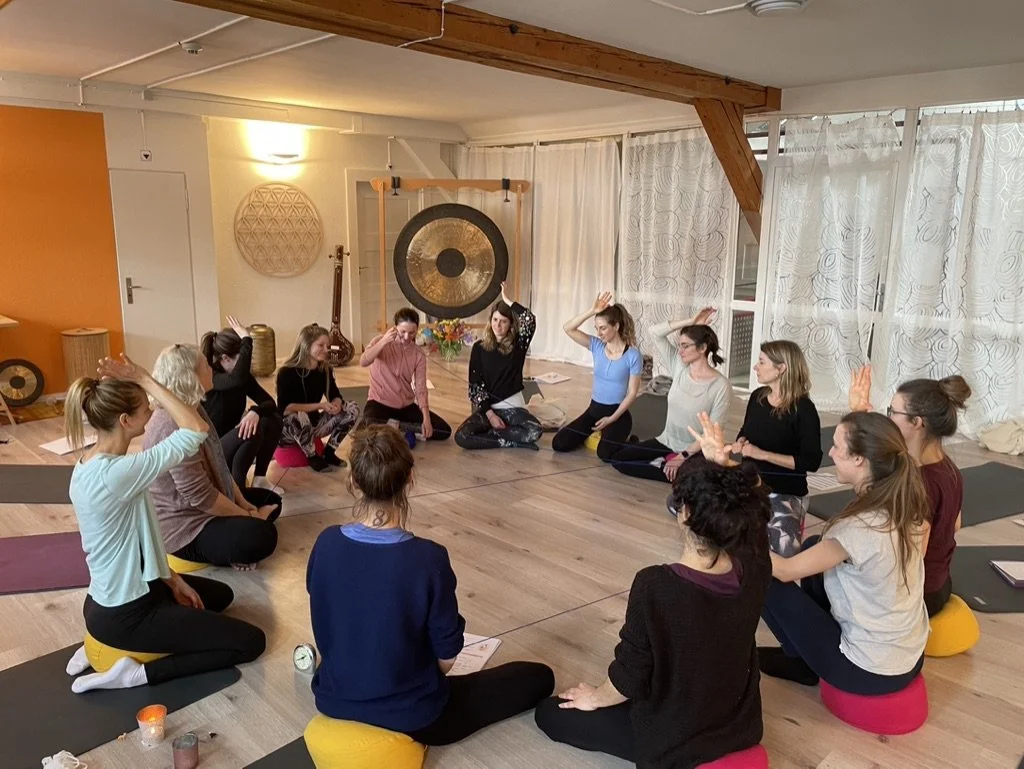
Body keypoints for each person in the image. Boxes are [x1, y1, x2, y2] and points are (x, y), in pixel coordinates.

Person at [535, 412, 771, 768]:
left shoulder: (657, 586)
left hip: (678, 736)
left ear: (684, 513)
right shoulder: (756, 562)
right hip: (739, 722)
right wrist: (725, 464)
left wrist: (595, 697)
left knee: (549, 713)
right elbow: (755, 509)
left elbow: (630, 676)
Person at [306, 424, 555, 744]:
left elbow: (332, 610)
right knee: (539, 677)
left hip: (333, 701)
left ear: (353, 481)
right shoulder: (427, 559)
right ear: (410, 479)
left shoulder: (325, 543)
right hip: (414, 716)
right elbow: (447, 659)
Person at [62, 353, 265, 693]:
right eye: (145, 409)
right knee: (250, 642)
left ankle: (101, 643)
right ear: (125, 420)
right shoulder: (120, 473)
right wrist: (144, 378)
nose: (153, 412)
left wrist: (171, 581)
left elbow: (135, 537)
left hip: (112, 597)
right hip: (127, 614)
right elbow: (196, 428)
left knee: (219, 595)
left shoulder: (88, 464)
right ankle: (134, 674)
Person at [759, 411, 929, 695]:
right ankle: (803, 654)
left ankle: (802, 662)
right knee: (815, 544)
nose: (831, 452)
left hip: (868, 672)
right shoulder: (905, 502)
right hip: (909, 657)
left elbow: (784, 570)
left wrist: (735, 534)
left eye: (838, 446)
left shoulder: (860, 527)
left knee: (764, 575)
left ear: (860, 459)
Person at [146, 344, 281, 570]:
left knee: (273, 501)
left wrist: (246, 506)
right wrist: (248, 517)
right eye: (206, 366)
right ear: (190, 377)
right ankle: (236, 545)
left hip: (211, 501)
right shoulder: (172, 425)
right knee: (264, 536)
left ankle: (240, 536)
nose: (212, 369)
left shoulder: (194, 408)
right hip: (185, 527)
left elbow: (220, 465)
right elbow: (201, 497)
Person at [850, 365, 970, 616]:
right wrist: (860, 413)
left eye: (893, 411)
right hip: (940, 585)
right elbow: (955, 525)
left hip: (918, 597)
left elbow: (910, 559)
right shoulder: (949, 469)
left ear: (917, 422)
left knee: (822, 572)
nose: (889, 417)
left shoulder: (919, 482)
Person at [607, 307, 732, 482]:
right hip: (666, 441)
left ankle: (668, 465)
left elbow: (711, 435)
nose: (680, 351)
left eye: (685, 346)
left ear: (702, 347)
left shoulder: (721, 386)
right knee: (618, 460)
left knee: (694, 478)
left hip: (695, 450)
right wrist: (691, 322)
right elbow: (655, 332)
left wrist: (682, 456)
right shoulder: (679, 366)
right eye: (679, 345)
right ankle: (664, 464)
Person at [731, 341, 822, 557]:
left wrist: (761, 454)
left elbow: (811, 462)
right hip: (750, 485)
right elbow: (745, 430)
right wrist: (741, 441)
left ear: (781, 368)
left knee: (784, 554)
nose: (755, 367)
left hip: (784, 492)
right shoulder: (758, 397)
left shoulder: (804, 410)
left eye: (762, 362)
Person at [552, 292, 643, 460]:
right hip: (594, 411)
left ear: (616, 326)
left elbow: (632, 393)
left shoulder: (633, 355)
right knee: (559, 444)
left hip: (617, 414)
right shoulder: (596, 346)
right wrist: (592, 311)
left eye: (603, 328)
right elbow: (568, 328)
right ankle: (593, 435)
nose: (599, 333)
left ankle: (631, 441)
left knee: (605, 454)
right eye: (597, 328)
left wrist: (611, 419)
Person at [454, 283, 543, 451]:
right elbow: (475, 387)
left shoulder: (519, 345)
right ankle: (508, 440)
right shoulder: (479, 348)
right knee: (461, 437)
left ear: (511, 325)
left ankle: (493, 435)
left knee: (535, 431)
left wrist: (508, 301)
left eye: (503, 321)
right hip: (489, 410)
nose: (498, 325)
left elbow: (529, 319)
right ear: (490, 321)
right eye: (495, 320)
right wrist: (490, 415)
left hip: (512, 408)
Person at [200, 315, 283, 490]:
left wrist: (255, 411)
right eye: (242, 360)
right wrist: (246, 339)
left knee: (272, 419)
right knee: (251, 431)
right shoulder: (212, 377)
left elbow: (269, 403)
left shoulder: (241, 377)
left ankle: (259, 479)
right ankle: (237, 488)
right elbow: (236, 378)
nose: (246, 366)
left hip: (230, 440)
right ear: (225, 359)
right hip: (210, 448)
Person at [275, 324, 361, 472]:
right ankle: (312, 455)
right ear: (306, 345)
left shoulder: (325, 370)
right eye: (320, 345)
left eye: (327, 346)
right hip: (290, 429)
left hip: (313, 425)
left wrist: (336, 404)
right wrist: (320, 406)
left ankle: (329, 452)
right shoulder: (286, 372)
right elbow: (285, 408)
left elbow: (335, 395)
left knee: (352, 408)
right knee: (300, 417)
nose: (326, 350)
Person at [359, 307, 451, 442]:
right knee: (365, 432)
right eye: (403, 332)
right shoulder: (379, 341)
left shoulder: (418, 354)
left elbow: (420, 388)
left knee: (443, 431)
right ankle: (401, 429)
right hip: (379, 403)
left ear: (417, 330)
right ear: (395, 328)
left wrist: (426, 418)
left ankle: (395, 428)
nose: (407, 337)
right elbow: (364, 361)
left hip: (405, 406)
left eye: (412, 333)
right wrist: (384, 341)